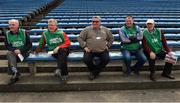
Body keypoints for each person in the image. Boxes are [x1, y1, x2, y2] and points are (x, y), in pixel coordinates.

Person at [77, 16, 114, 80]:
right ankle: (95, 71)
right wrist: (84, 47)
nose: (95, 23)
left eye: (96, 21)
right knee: (86, 60)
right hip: (90, 50)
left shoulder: (105, 30)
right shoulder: (87, 29)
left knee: (106, 59)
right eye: (93, 21)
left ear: (100, 22)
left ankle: (94, 72)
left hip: (102, 50)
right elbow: (79, 38)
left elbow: (111, 38)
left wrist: (108, 46)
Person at [5, 19, 32, 85]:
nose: (11, 26)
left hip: (24, 53)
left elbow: (29, 45)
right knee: (9, 53)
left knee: (10, 58)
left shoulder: (24, 32)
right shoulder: (7, 33)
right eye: (10, 25)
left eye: (13, 25)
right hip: (14, 53)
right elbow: (7, 45)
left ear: (18, 25)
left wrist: (20, 50)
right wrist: (14, 50)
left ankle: (14, 74)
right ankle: (15, 73)